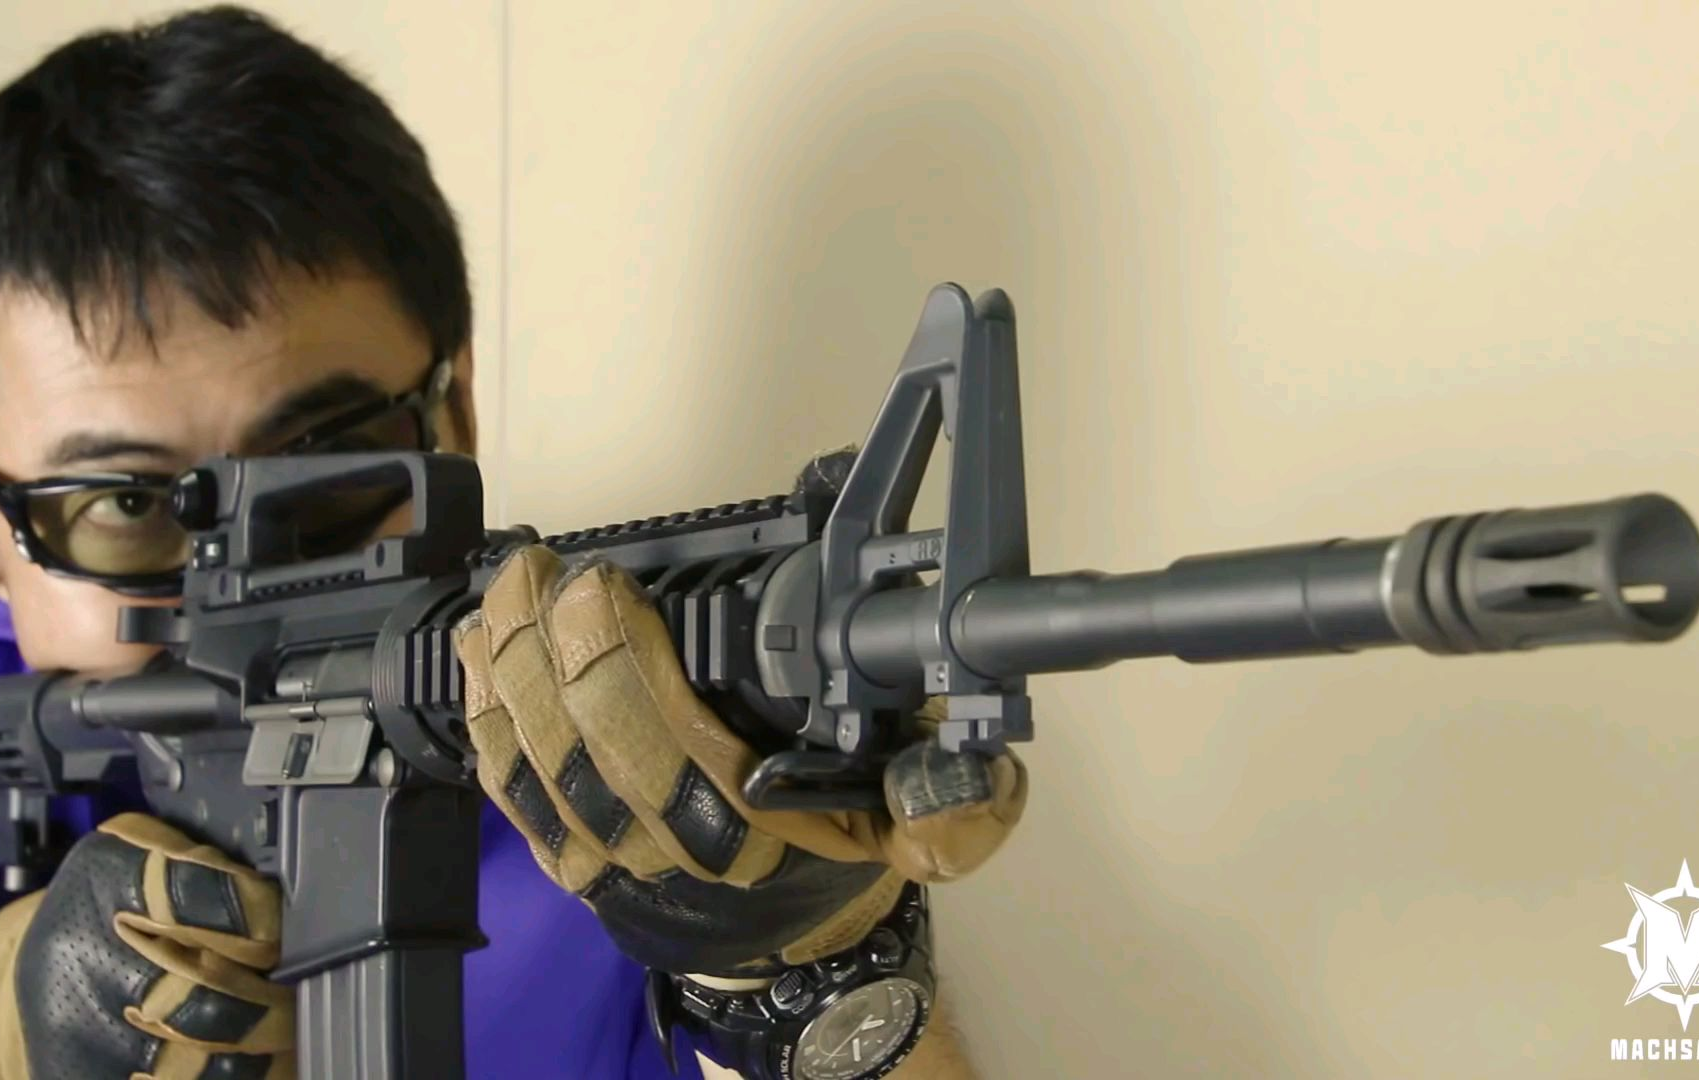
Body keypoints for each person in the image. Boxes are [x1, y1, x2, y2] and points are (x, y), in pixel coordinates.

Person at [0, 7, 1027, 1080]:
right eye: (125, 506)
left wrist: (811, 971)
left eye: (330, 464)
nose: (240, 576)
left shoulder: (605, 796)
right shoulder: (35, 729)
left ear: (454, 416)